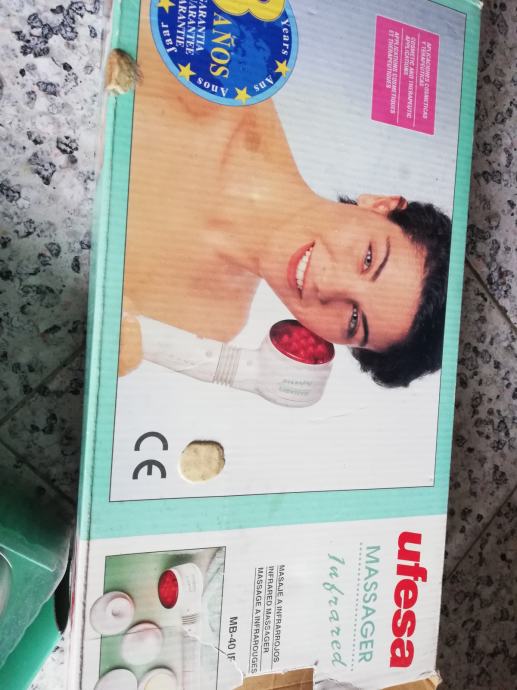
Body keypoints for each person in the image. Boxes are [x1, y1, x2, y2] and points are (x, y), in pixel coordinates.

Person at [117, 22, 451, 388]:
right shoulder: (225, 78)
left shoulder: (211, 323)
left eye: (354, 320)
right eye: (368, 258)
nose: (327, 284)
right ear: (379, 204)